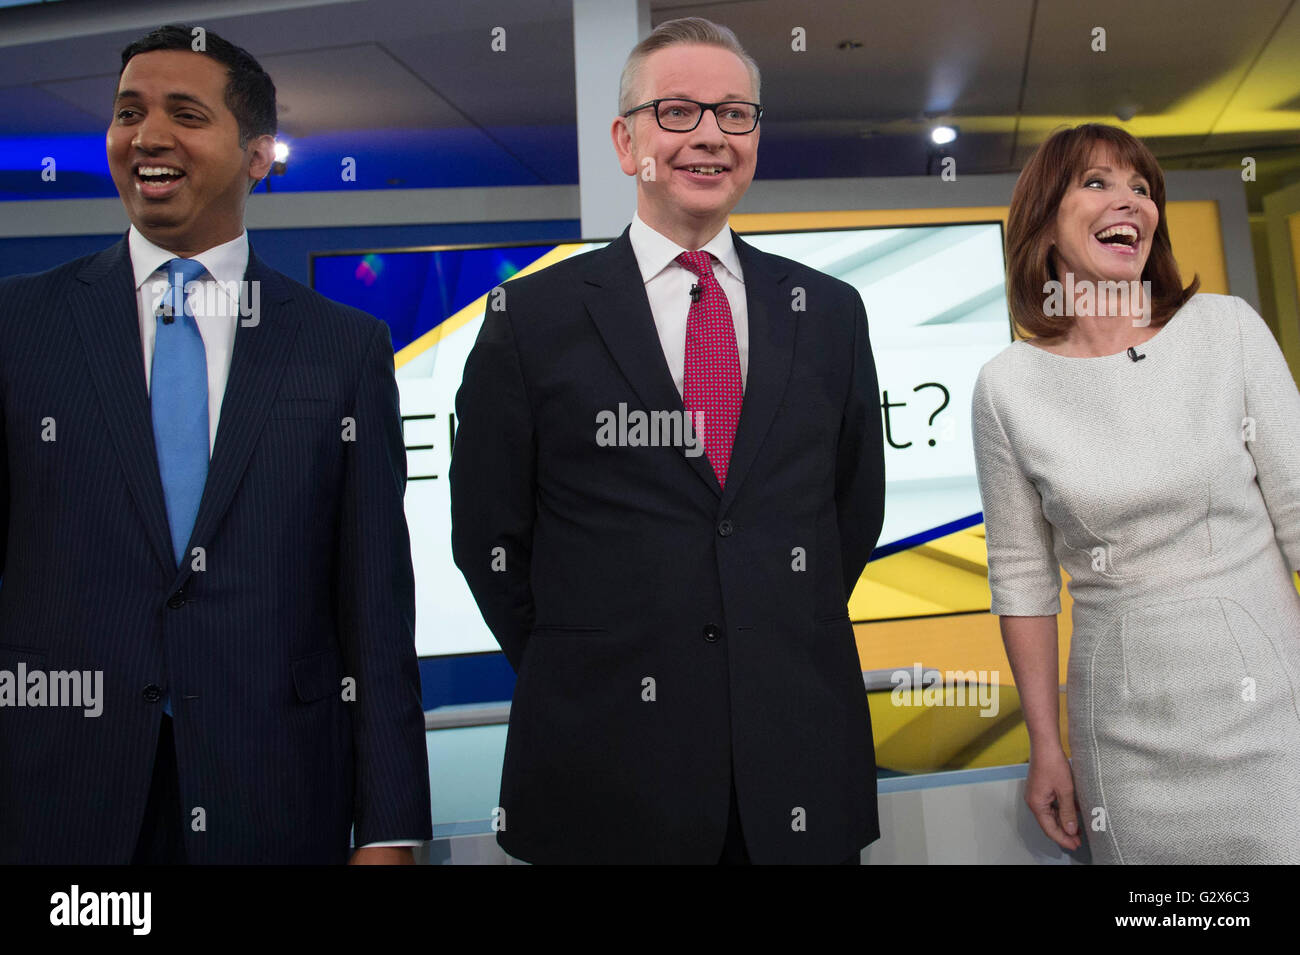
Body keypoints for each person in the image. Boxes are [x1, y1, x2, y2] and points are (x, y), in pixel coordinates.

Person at [450, 17, 885, 864]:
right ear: (626, 141)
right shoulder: (531, 321)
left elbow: (848, 514)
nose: (711, 135)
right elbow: (490, 540)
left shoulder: (828, 312)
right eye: (678, 112)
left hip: (795, 766)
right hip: (604, 771)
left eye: (736, 113)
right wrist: (595, 658)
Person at [0, 24, 430, 864]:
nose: (148, 136)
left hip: (273, 792)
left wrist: (389, 827)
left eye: (184, 114)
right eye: (129, 112)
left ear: (259, 154)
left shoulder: (342, 346)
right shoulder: (19, 324)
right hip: (59, 794)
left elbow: (374, 608)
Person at [973, 123, 1300, 864]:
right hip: (1121, 732)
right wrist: (1046, 744)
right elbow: (1022, 580)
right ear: (1044, 220)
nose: (1131, 201)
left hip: (1274, 711)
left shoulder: (1226, 331)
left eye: (1142, 188)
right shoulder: (1007, 387)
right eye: (1097, 182)